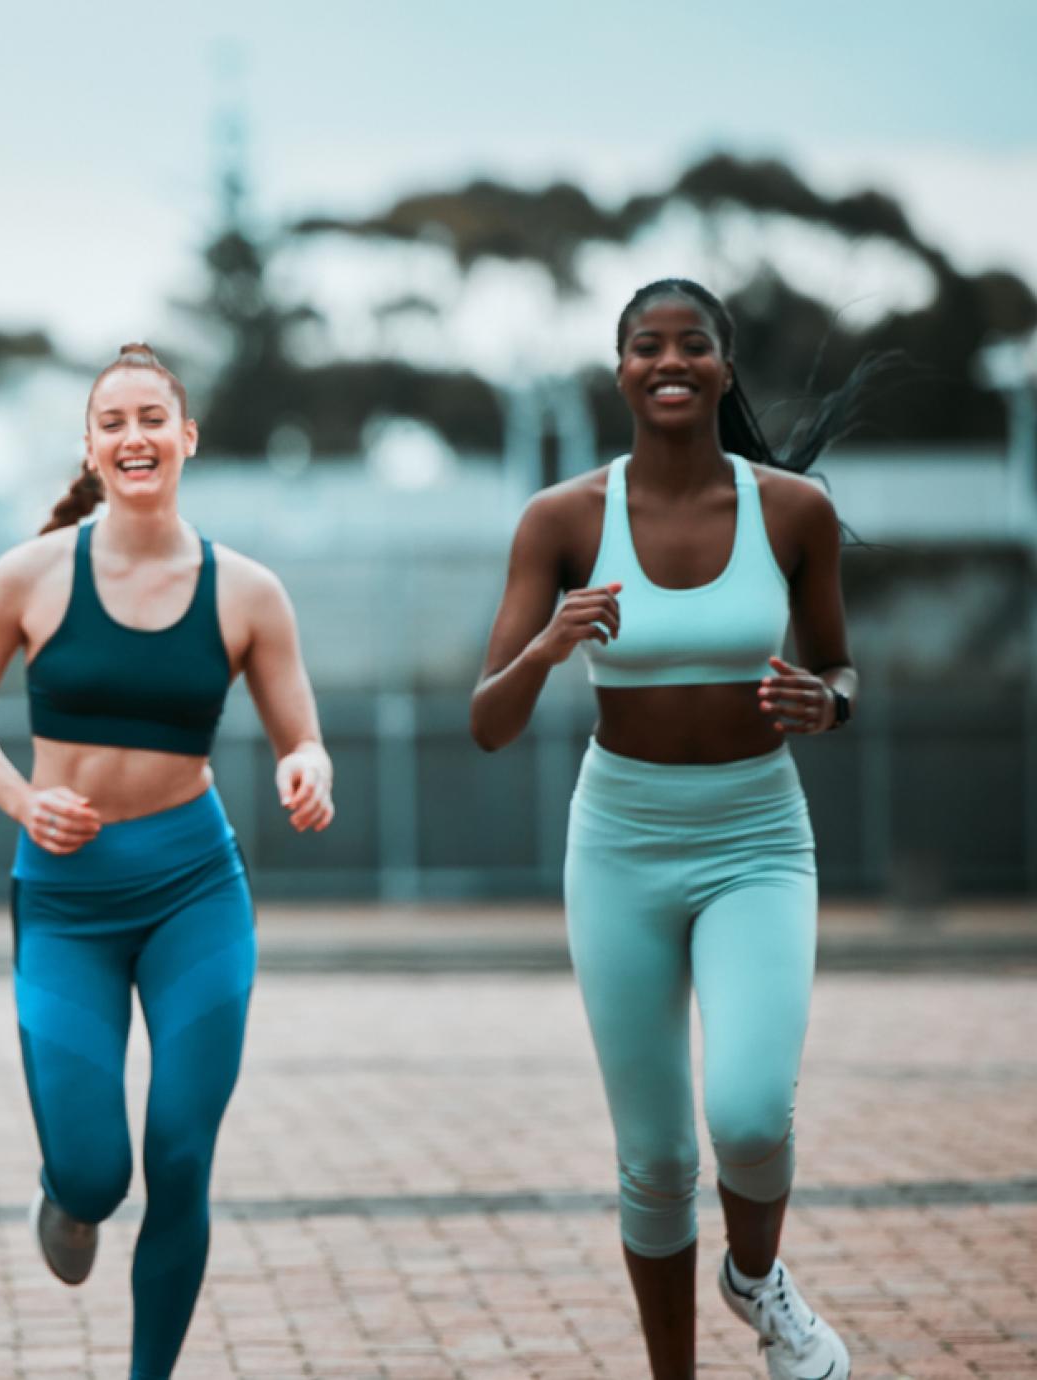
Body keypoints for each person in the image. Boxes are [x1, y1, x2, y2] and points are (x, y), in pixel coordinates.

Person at [470, 278, 867, 1380]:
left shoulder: (792, 511)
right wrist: (549, 646)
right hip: (620, 846)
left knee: (745, 1116)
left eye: (692, 345)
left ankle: (756, 1281)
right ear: (620, 372)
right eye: (646, 347)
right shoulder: (558, 521)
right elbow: (485, 722)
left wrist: (827, 702)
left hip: (755, 840)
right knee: (652, 1159)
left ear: (723, 369)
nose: (669, 362)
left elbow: (838, 663)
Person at [0, 343, 335, 1380]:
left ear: (185, 437)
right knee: (96, 1172)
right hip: (65, 899)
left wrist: (308, 769)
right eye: (111, 421)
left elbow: (302, 735)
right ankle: (64, 1194)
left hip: (193, 887)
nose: (133, 435)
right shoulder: (27, 575)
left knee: (180, 1155)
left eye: (151, 416)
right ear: (90, 446)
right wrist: (23, 800)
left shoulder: (246, 592)